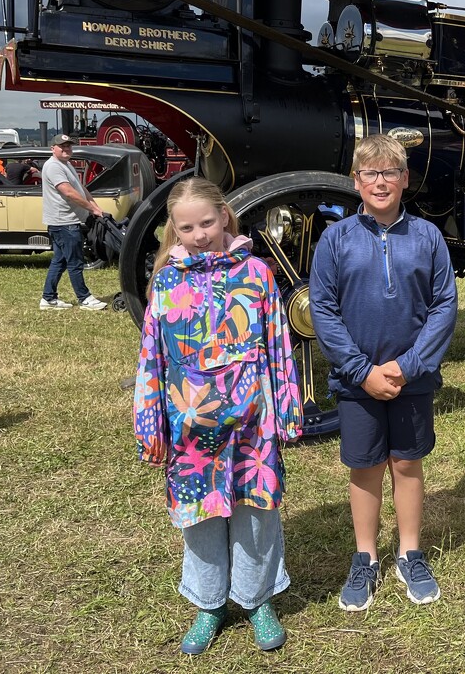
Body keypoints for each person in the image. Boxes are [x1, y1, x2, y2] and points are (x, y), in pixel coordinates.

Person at [133, 176, 303, 655]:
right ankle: (209, 603)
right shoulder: (167, 281)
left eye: (207, 222)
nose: (200, 234)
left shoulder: (256, 275)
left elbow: (277, 346)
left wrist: (286, 408)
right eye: (187, 227)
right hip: (191, 425)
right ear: (175, 229)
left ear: (225, 215)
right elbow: (152, 357)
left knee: (256, 512)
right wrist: (151, 423)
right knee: (199, 514)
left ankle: (257, 598)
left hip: (252, 420)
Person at [310, 134, 458, 611]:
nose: (380, 181)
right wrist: (361, 371)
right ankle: (365, 557)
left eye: (389, 172)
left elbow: (444, 306)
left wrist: (408, 365)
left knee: (407, 463)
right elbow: (323, 309)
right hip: (358, 382)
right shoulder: (335, 239)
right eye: (370, 173)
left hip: (412, 378)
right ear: (356, 181)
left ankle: (410, 553)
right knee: (365, 466)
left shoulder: (428, 237)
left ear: (405, 179)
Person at [39, 132, 107, 311]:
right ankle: (84, 298)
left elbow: (80, 188)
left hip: (67, 221)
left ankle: (48, 299)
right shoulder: (53, 166)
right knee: (75, 262)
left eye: (69, 145)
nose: (67, 149)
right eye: (62, 146)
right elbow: (68, 192)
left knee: (59, 261)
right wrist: (91, 209)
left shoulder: (65, 164)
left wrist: (95, 206)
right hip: (64, 222)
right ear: (53, 148)